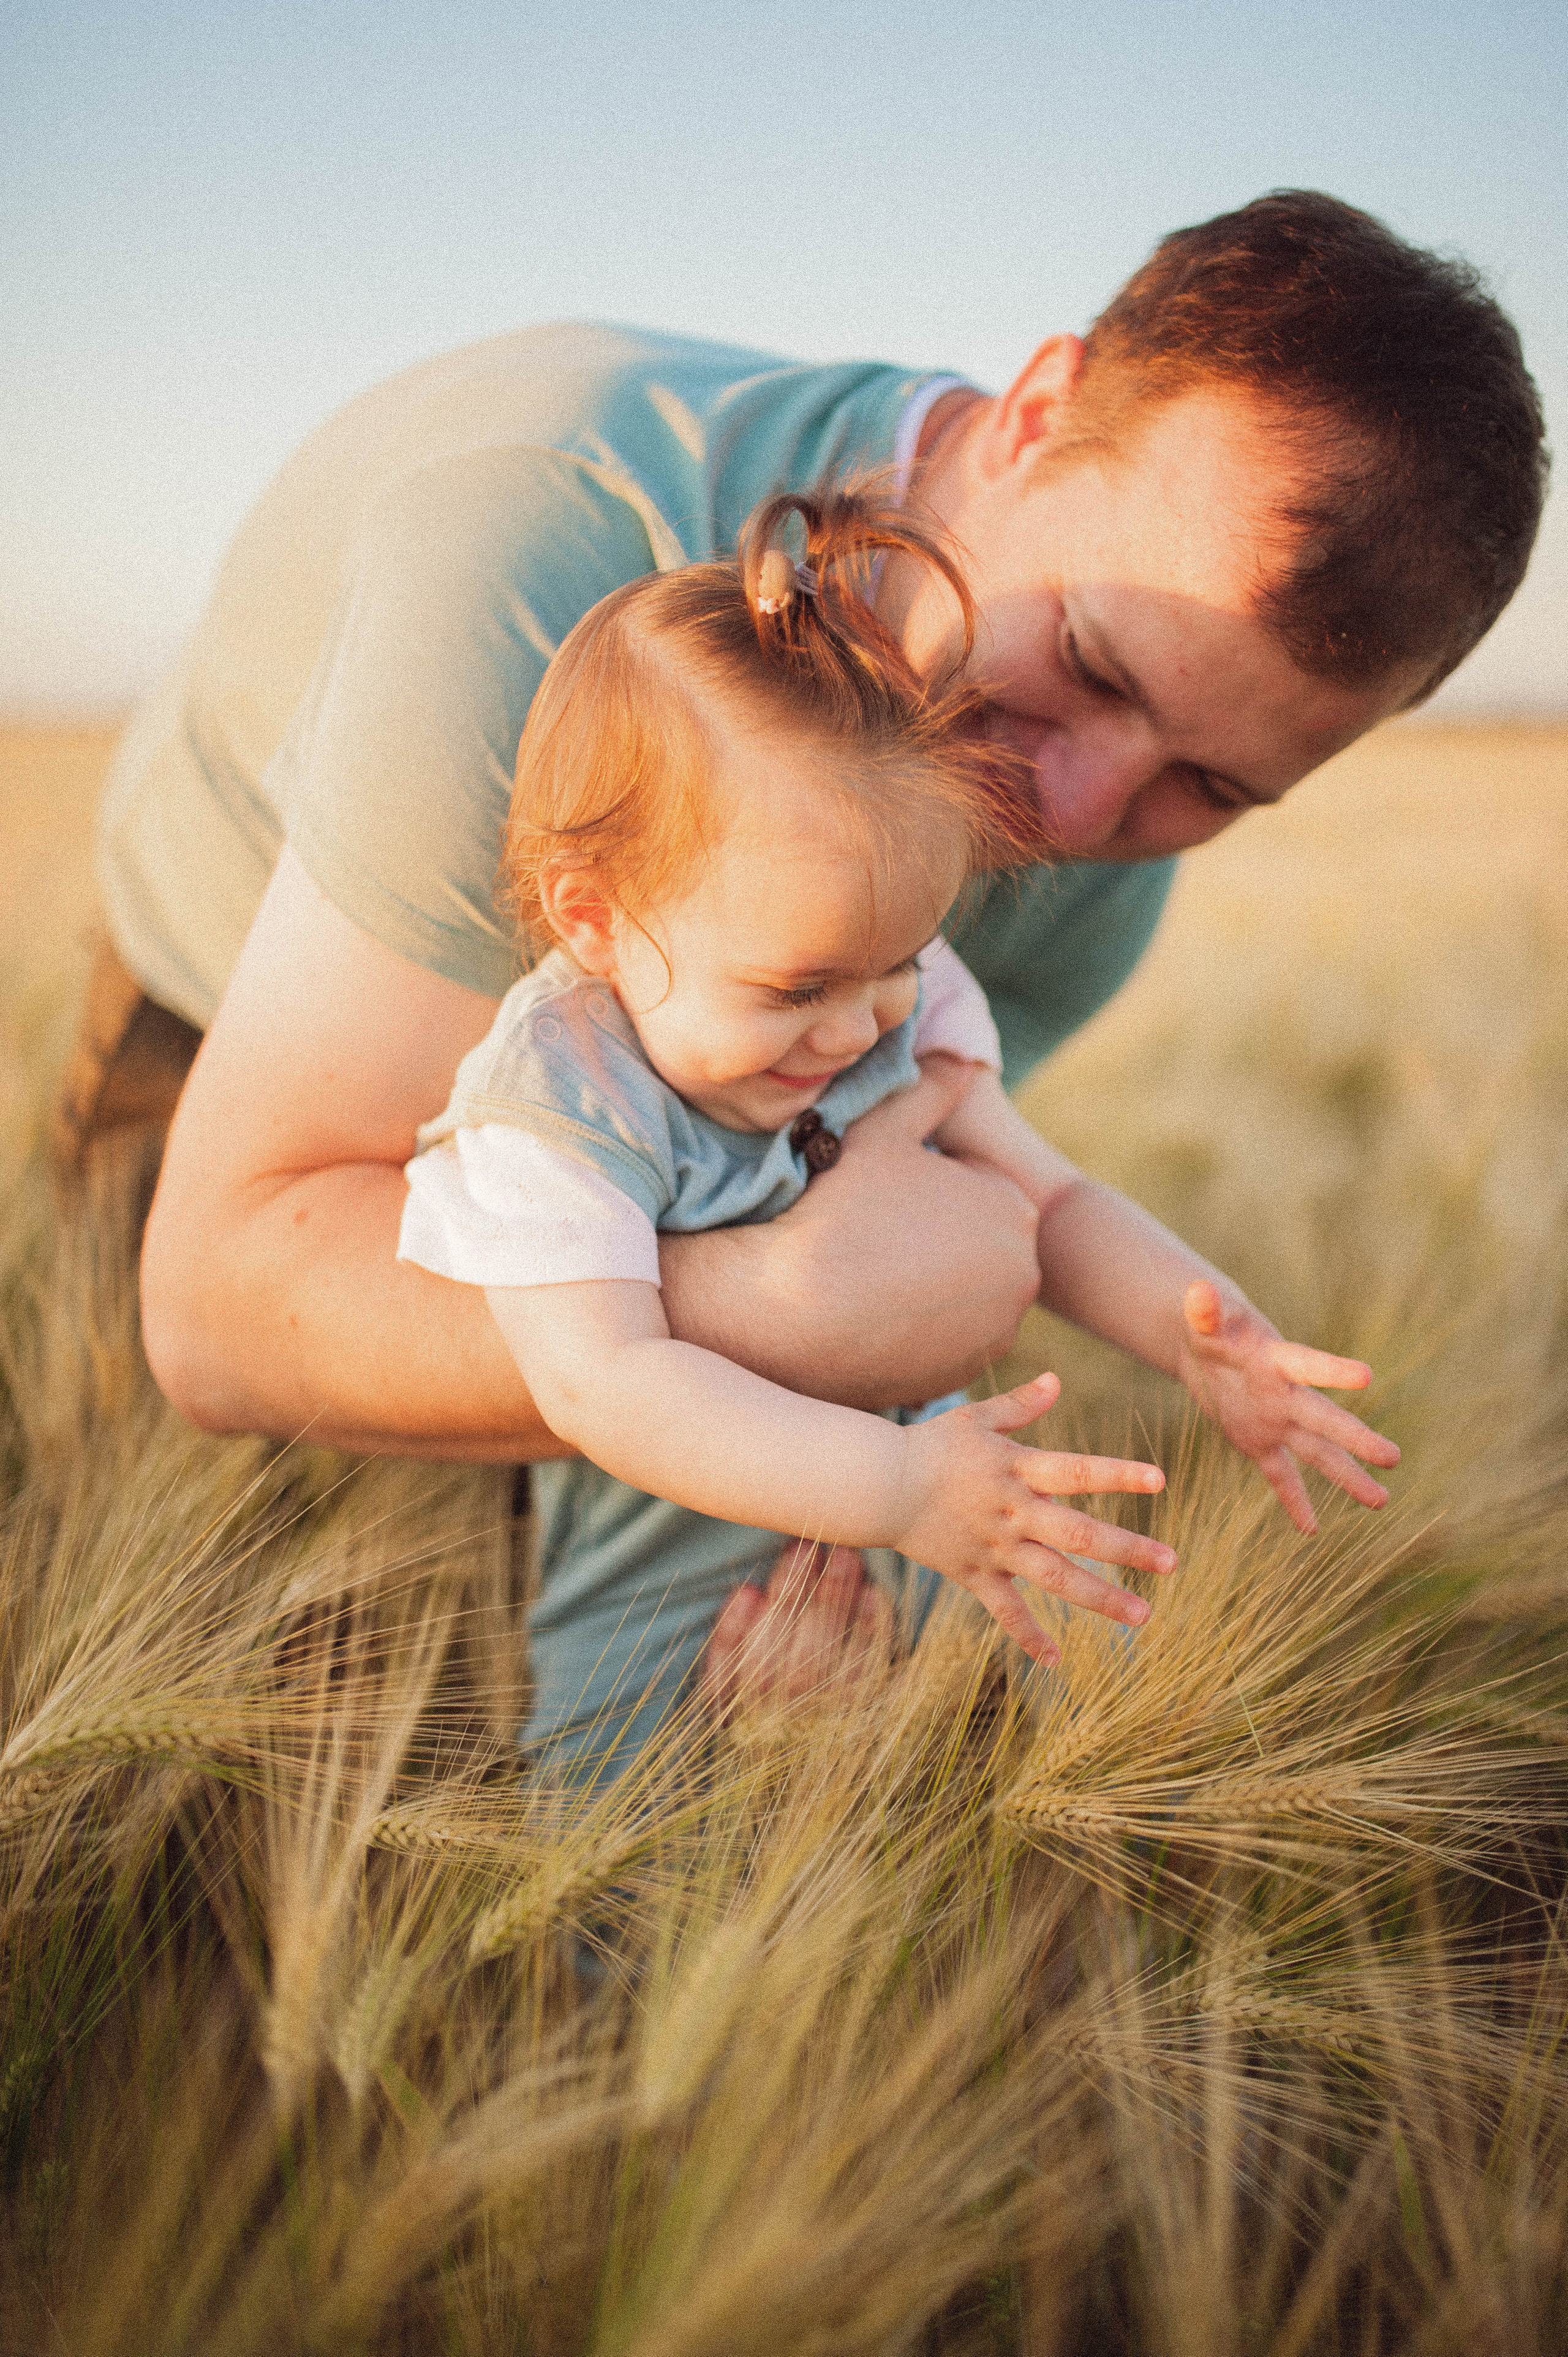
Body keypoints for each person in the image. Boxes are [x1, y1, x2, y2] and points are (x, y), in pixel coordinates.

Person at [72, 189, 1544, 1689]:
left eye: (1210, 786)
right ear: (1035, 411)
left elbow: (830, 1169)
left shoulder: (1094, 870)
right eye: (1089, 659)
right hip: (237, 1040)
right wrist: (785, 1322)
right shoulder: (540, 557)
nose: (1060, 811)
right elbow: (219, 1315)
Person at [395, 482, 1399, 1779]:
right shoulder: (563, 1099)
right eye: (795, 989)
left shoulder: (893, 994)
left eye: (898, 959)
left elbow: (1050, 1201)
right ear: (594, 919)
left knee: (969, 1833)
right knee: (631, 1901)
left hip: (947, 1551)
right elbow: (608, 1384)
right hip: (669, 1619)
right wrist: (896, 1491)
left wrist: (1199, 1331)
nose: (858, 1026)